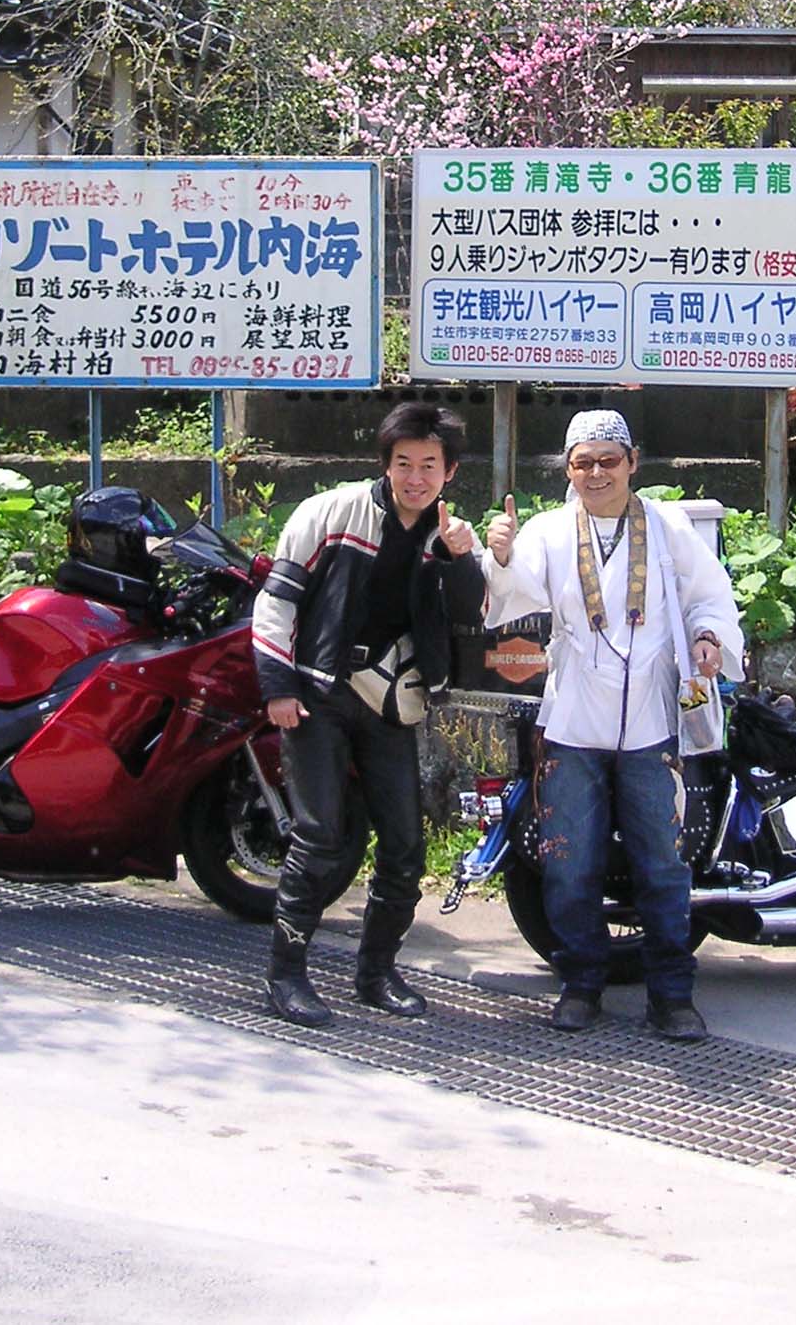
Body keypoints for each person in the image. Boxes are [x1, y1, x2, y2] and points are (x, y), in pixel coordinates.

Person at [483, 409, 743, 1041]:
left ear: (632, 463)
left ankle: (672, 996)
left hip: (652, 720)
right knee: (569, 862)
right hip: (573, 718)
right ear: (567, 469)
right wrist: (501, 556)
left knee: (663, 863)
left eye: (608, 460)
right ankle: (580, 985)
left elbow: (710, 594)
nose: (595, 473)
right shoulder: (547, 530)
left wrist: (708, 636)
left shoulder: (668, 525)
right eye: (582, 462)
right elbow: (514, 598)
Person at [253, 401, 485, 1027]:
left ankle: (376, 971)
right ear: (385, 464)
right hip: (320, 693)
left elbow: (470, 613)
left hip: (391, 701)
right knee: (320, 838)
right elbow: (277, 601)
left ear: (449, 473)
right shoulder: (330, 513)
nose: (416, 477)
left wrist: (463, 557)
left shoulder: (450, 533)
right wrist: (278, 684)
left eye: (429, 466)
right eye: (404, 463)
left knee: (407, 846)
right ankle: (286, 975)